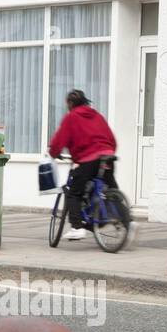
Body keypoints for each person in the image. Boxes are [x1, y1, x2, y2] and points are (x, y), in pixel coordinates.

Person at [48, 89, 117, 241]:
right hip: (107, 156)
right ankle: (126, 221)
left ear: (70, 103)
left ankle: (77, 227)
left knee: (74, 193)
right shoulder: (97, 115)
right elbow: (111, 138)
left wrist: (52, 153)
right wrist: (109, 152)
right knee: (111, 188)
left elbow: (59, 140)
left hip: (88, 159)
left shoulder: (71, 117)